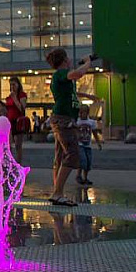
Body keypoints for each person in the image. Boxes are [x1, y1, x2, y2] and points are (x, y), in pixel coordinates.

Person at [45, 48, 92, 206]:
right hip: (63, 120)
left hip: (64, 119)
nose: (71, 60)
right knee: (72, 154)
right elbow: (77, 74)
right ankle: (58, 193)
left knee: (60, 156)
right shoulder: (60, 74)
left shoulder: (62, 77)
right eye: (68, 58)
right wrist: (88, 62)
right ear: (65, 60)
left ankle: (57, 192)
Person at [0, 76, 29, 164]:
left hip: (18, 121)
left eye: (14, 84)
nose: (12, 87)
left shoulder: (21, 95)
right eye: (11, 85)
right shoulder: (9, 96)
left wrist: (15, 98)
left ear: (18, 85)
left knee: (18, 145)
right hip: (9, 121)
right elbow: (8, 108)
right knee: (8, 144)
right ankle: (10, 163)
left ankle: (19, 163)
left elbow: (22, 109)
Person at [75, 103, 102, 186]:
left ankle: (85, 178)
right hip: (79, 145)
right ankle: (78, 175)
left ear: (87, 113)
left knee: (88, 162)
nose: (81, 114)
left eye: (83, 112)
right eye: (80, 112)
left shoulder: (91, 122)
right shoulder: (77, 121)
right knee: (82, 160)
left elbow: (95, 133)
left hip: (88, 145)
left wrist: (98, 143)